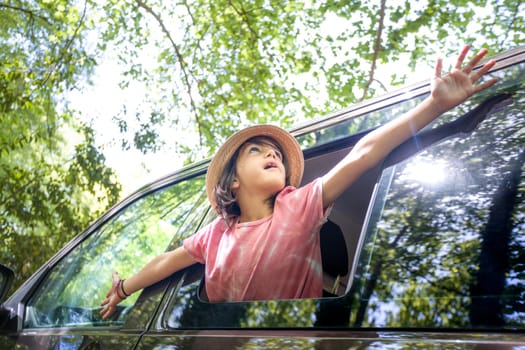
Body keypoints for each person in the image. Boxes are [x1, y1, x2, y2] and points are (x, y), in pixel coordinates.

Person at [100, 44, 498, 320]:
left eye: (274, 151)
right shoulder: (216, 234)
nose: (271, 153)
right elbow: (169, 261)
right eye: (256, 151)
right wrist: (124, 288)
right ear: (232, 182)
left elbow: (363, 153)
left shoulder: (299, 206)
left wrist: (435, 106)